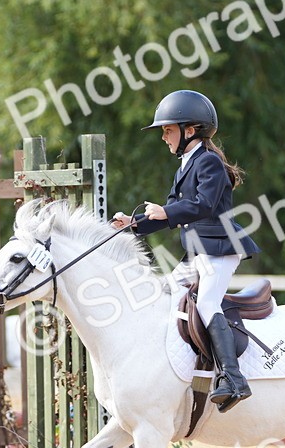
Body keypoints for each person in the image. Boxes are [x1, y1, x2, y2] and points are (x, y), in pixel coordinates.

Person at [111, 90, 261, 411]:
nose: (163, 137)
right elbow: (168, 215)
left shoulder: (209, 162)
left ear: (190, 130)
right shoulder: (184, 167)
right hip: (196, 253)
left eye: (168, 130)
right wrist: (133, 224)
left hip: (220, 249)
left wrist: (166, 211)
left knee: (206, 303)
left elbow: (204, 205)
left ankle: (234, 378)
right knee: (165, 296)